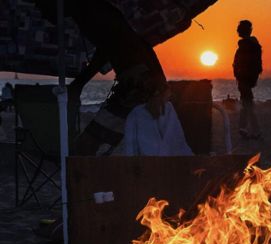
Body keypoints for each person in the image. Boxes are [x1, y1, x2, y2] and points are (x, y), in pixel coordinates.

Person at [34, 0, 167, 155]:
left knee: (88, 145)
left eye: (40, 3)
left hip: (140, 85)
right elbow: (114, 45)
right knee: (96, 145)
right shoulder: (90, 10)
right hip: (143, 83)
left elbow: (107, 49)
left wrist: (79, 83)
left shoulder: (90, 11)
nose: (40, 10)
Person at [123, 78, 193, 156]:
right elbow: (131, 147)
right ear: (157, 94)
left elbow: (178, 139)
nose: (168, 98)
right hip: (146, 164)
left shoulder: (168, 109)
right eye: (165, 96)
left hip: (169, 161)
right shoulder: (135, 115)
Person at [233, 20, 262, 139]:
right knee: (247, 103)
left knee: (247, 104)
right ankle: (247, 129)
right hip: (246, 78)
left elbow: (241, 63)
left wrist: (239, 74)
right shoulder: (251, 45)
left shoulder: (246, 45)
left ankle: (250, 130)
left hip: (244, 78)